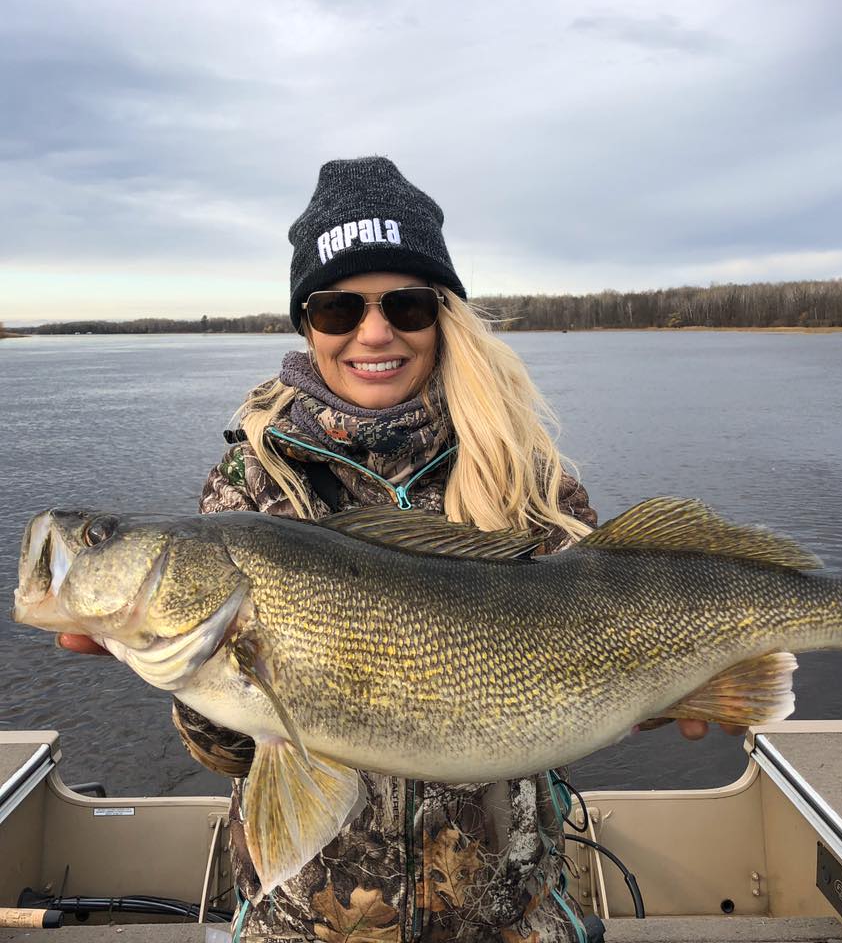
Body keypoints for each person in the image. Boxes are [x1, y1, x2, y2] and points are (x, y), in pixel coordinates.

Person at [60, 156, 735, 942]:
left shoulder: (527, 473)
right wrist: (191, 670)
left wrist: (688, 685)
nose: (373, 332)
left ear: (442, 313)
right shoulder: (251, 481)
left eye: (406, 304)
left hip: (507, 918)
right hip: (304, 925)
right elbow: (226, 754)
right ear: (306, 325)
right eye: (338, 309)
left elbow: (589, 662)